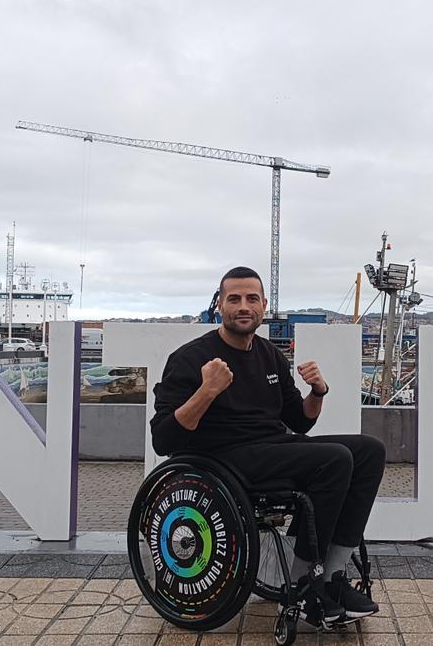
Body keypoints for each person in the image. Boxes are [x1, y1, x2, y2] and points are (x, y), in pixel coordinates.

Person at [151, 267, 384, 628]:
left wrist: (318, 392)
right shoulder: (190, 358)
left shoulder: (270, 355)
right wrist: (206, 391)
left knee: (369, 451)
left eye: (252, 298)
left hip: (272, 449)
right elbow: (164, 439)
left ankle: (332, 579)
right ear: (220, 305)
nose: (243, 306)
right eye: (234, 299)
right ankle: (305, 584)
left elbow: (301, 421)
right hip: (224, 459)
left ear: (263, 306)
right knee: (335, 459)